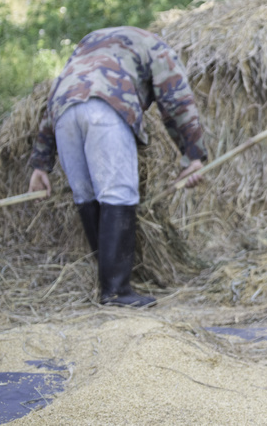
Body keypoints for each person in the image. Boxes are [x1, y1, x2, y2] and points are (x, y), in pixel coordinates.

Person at [27, 26, 208, 307]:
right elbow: (176, 100)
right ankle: (116, 292)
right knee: (118, 193)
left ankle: (107, 283)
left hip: (64, 115)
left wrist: (41, 165)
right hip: (107, 110)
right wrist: (193, 155)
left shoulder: (87, 44)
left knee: (86, 195)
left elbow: (54, 97)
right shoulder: (155, 46)